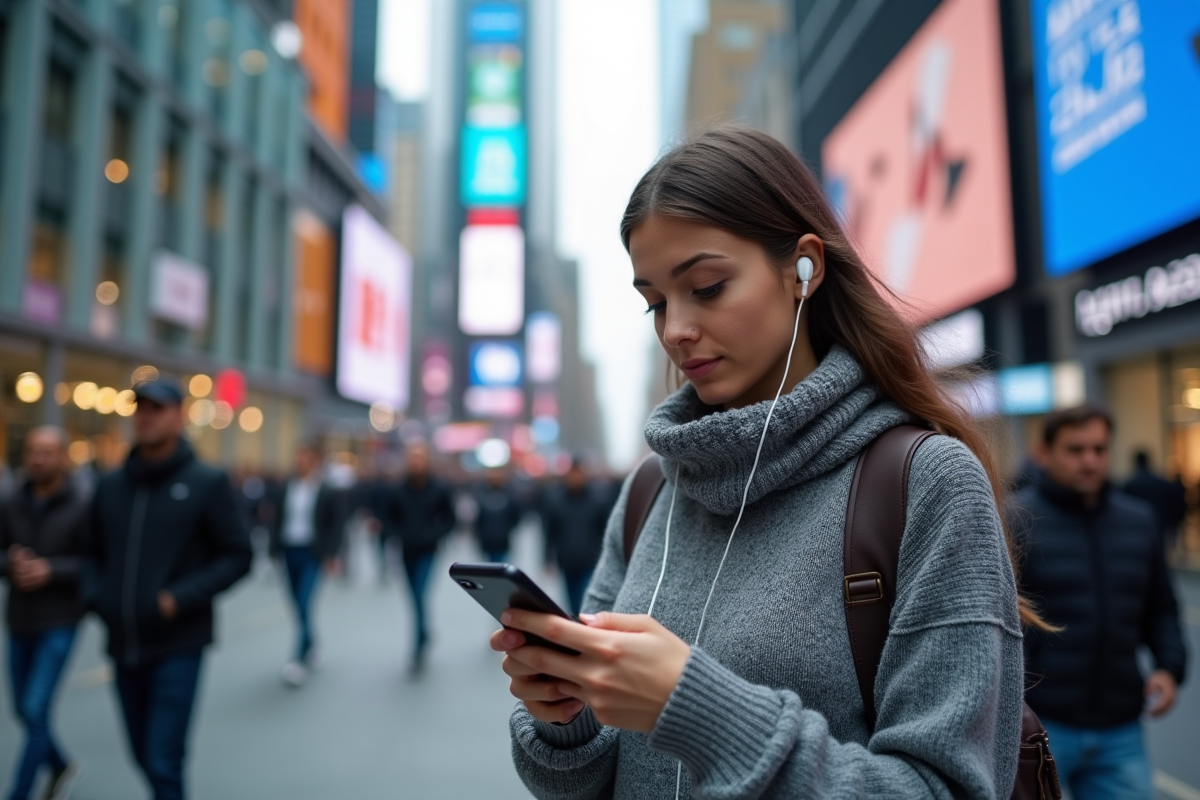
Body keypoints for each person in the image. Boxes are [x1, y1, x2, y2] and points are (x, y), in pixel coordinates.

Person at [488, 127, 1043, 799]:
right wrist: (567, 719)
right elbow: (587, 780)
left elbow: (944, 788)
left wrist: (695, 708)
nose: (676, 330)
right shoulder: (648, 491)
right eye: (656, 303)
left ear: (803, 267)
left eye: (708, 287)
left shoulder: (924, 481)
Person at [84, 377, 251, 800]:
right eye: (139, 408)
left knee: (162, 759)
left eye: (156, 409)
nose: (145, 417)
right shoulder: (110, 485)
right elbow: (90, 553)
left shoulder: (206, 481)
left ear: (178, 417)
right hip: (122, 645)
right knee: (142, 754)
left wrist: (180, 597)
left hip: (178, 644)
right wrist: (97, 597)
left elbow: (237, 555)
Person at [1014, 405, 1188, 800]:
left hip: (1120, 728)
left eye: (1099, 449)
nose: (1089, 461)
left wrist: (1169, 667)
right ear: (1046, 453)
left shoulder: (1139, 520)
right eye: (1076, 450)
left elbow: (1161, 607)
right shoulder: (1016, 520)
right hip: (1040, 723)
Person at [0, 427, 88, 800]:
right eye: (33, 451)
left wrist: (52, 570)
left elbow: (95, 563)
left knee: (36, 706)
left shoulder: (84, 504)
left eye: (47, 452)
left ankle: (19, 793)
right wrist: (10, 563)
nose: (38, 458)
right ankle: (59, 764)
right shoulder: (10, 501)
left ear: (64, 457)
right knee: (24, 709)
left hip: (60, 618)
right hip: (20, 618)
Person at [267, 445, 341, 687]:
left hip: (313, 552)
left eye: (305, 458)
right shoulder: (285, 488)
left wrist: (331, 554)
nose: (301, 462)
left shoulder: (326, 490)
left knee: (303, 600)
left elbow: (334, 524)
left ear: (314, 461)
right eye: (298, 458)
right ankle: (312, 643)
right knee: (296, 603)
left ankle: (297, 658)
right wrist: (273, 549)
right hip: (290, 550)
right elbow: (276, 519)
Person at [387, 441, 455, 673]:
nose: (415, 462)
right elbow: (389, 517)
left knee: (419, 594)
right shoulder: (399, 489)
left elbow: (450, 518)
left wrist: (435, 534)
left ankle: (417, 648)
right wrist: (396, 534)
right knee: (413, 597)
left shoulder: (438, 488)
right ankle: (424, 631)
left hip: (428, 550)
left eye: (420, 457)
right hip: (406, 550)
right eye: (412, 457)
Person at [539, 459, 609, 616]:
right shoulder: (556, 502)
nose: (576, 478)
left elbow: (604, 533)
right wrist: (547, 560)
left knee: (588, 599)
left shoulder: (597, 502)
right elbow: (550, 533)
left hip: (590, 560)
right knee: (572, 600)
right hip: (567, 560)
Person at [1123, 450, 1188, 552]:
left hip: (1137, 531)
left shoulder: (1130, 485)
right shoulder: (1162, 483)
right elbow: (1176, 503)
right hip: (1160, 526)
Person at [473, 468, 523, 564]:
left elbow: (516, 515)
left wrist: (507, 529)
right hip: (486, 539)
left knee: (499, 565)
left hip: (502, 540)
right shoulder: (482, 494)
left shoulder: (509, 495)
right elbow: (478, 517)